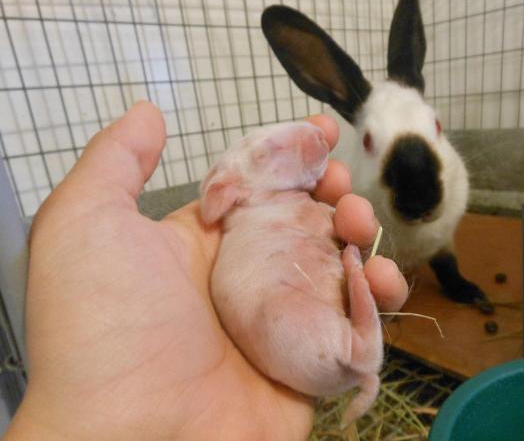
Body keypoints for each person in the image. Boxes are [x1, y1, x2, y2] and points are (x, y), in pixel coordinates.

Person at [4, 102, 408, 440]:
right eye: (267, 156)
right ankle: (358, 348)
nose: (310, 140)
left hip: (312, 346)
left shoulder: (272, 214)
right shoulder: (245, 214)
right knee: (293, 300)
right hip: (313, 342)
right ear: (227, 192)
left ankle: (357, 349)